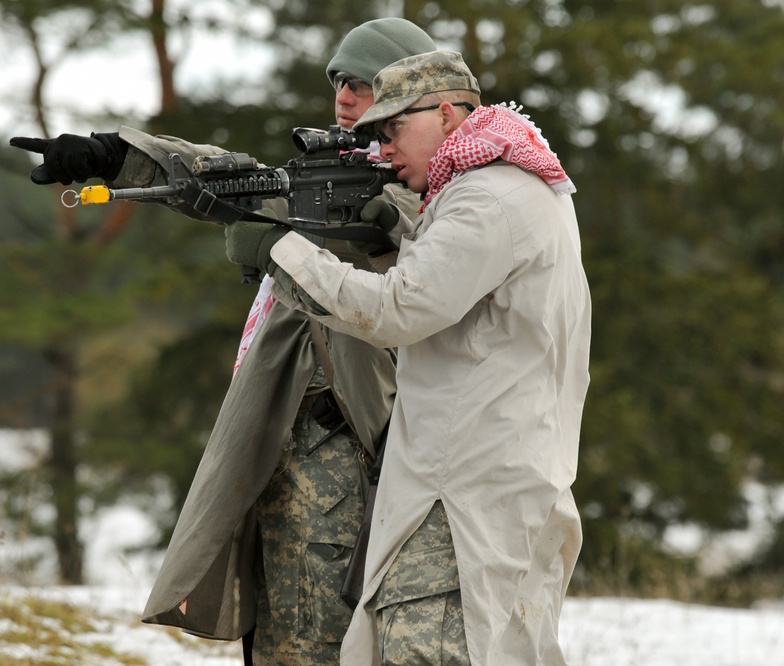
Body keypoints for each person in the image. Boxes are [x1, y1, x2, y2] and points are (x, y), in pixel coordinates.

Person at [10, 18, 438, 666]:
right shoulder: (326, 180)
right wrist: (112, 155)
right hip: (285, 457)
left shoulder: (436, 198)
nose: (344, 97)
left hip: (358, 466)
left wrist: (336, 235)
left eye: (363, 83)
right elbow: (233, 177)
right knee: (275, 640)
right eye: (338, 83)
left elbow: (417, 259)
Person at [224, 50, 591, 665]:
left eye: (392, 130)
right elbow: (460, 288)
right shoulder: (514, 186)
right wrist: (399, 232)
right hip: (498, 478)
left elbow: (399, 310)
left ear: (447, 114)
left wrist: (281, 251)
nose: (382, 150)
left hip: (462, 492)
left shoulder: (485, 200)